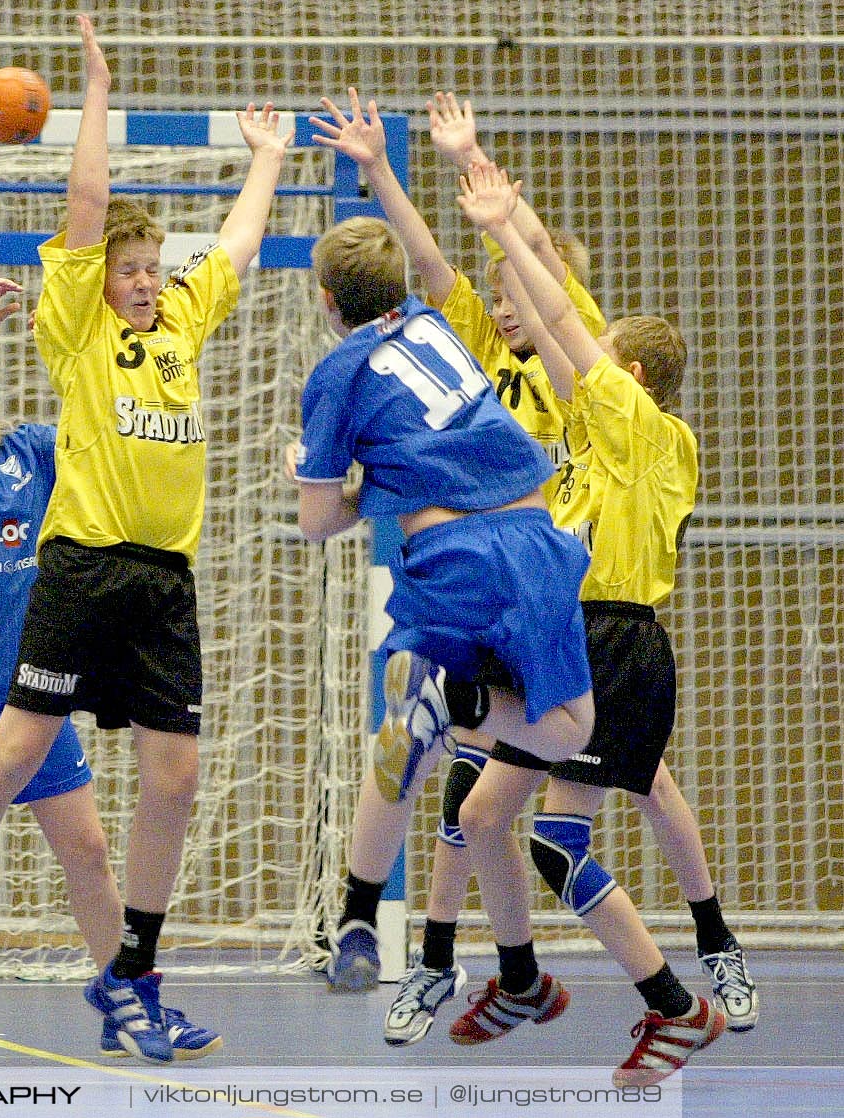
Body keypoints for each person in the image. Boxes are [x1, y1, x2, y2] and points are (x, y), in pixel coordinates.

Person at [323, 89, 755, 1045]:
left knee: (571, 796)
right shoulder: (478, 346)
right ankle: (467, 963)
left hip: (584, 607)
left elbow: (554, 293)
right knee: (466, 786)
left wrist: (505, 209)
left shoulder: (600, 386)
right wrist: (387, 174)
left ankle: (691, 964)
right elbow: (435, 266)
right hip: (512, 586)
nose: (514, 306)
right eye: (506, 295)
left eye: (525, 291)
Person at [0, 13, 289, 1063]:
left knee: (174, 776)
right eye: (130, 267)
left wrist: (267, 159)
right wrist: (95, 95)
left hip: (165, 578)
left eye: (154, 266)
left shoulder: (184, 326)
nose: (146, 278)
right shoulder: (77, 326)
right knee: (18, 740)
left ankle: (135, 973)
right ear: (101, 277)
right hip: (82, 561)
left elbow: (240, 244)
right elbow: (83, 203)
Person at [0, 277, 221, 1068]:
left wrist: (93, 320)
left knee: (91, 851)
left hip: (34, 704)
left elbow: (103, 423)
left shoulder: (32, 452)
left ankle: (123, 994)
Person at [447, 160, 726, 1084]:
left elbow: (563, 316)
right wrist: (507, 218)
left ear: (632, 373)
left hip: (617, 644)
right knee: (482, 813)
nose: (580, 360)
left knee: (555, 844)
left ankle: (675, 1009)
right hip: (571, 640)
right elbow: (567, 321)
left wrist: (502, 224)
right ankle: (522, 980)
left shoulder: (645, 430)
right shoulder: (601, 444)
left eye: (603, 355)